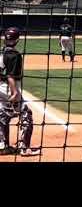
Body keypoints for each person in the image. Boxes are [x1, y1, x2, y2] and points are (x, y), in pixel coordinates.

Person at [0, 27, 40, 156]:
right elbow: (11, 76)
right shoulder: (15, 55)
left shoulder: (2, 52)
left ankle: (3, 146)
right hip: (8, 89)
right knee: (26, 114)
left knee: (3, 116)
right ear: (17, 39)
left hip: (0, 88)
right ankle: (24, 148)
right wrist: (15, 93)